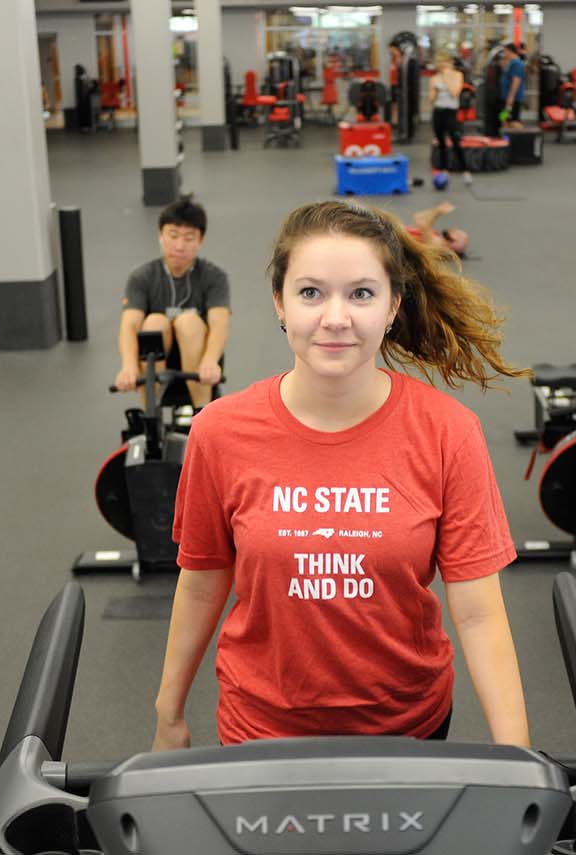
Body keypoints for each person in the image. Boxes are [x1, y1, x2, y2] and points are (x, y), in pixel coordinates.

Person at [152, 200, 531, 751]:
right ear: (279, 303)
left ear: (393, 305)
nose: (335, 318)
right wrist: (168, 714)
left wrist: (515, 754)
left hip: (407, 725)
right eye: (311, 293)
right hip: (260, 728)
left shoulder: (449, 432)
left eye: (361, 293)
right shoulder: (220, 432)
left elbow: (478, 615)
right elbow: (202, 582)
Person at [114, 196, 230, 408]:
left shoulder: (214, 277)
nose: (179, 246)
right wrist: (128, 366)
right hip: (154, 360)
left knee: (188, 322)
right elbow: (129, 324)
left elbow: (219, 323)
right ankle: (151, 412)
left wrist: (211, 360)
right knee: (154, 323)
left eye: (188, 238)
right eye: (173, 235)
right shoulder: (142, 277)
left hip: (197, 360)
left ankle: (201, 417)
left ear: (200, 240)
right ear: (161, 235)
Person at [427, 52, 472, 185]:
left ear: (451, 63)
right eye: (440, 63)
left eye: (445, 62)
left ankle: (466, 171)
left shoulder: (458, 75)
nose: (443, 65)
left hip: (451, 112)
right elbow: (431, 99)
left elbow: (454, 92)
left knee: (455, 141)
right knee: (441, 143)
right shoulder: (434, 78)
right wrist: (435, 90)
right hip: (438, 111)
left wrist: (446, 77)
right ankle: (445, 170)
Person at [406, 201, 470, 257]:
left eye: (456, 233)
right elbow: (418, 217)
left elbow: (423, 225)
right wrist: (436, 210)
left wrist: (438, 211)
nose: (454, 229)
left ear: (453, 240)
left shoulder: (437, 246)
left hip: (398, 238)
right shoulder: (436, 236)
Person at [499, 43, 527, 127]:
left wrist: (511, 97)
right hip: (507, 97)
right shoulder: (511, 63)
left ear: (509, 51)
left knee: (513, 121)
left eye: (505, 51)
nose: (504, 54)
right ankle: (507, 139)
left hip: (512, 99)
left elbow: (516, 80)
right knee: (503, 119)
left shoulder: (517, 63)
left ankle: (519, 138)